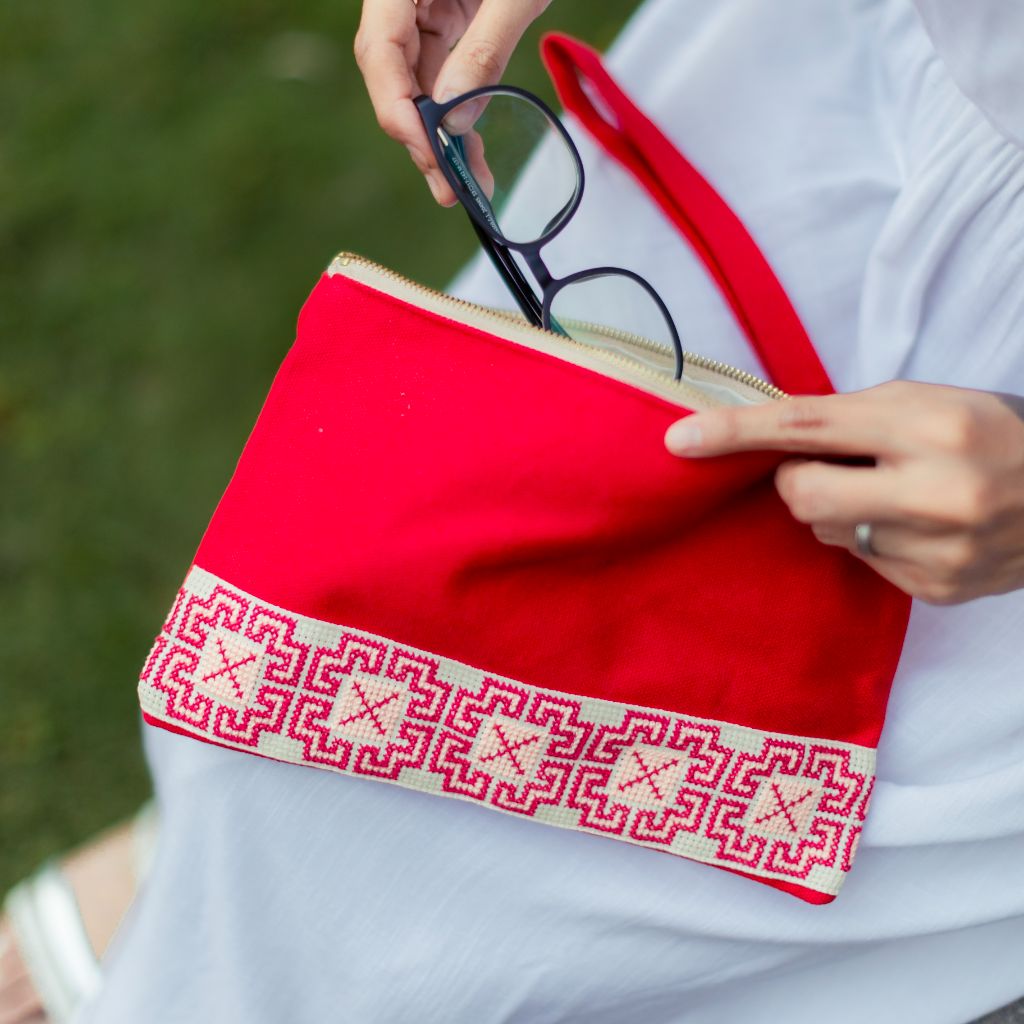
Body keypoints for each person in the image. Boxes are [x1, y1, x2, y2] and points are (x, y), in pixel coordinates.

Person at [10, 0, 1023, 1021]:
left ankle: (239, 908)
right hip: (840, 73)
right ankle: (215, 862)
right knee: (379, 576)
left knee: (582, 913)